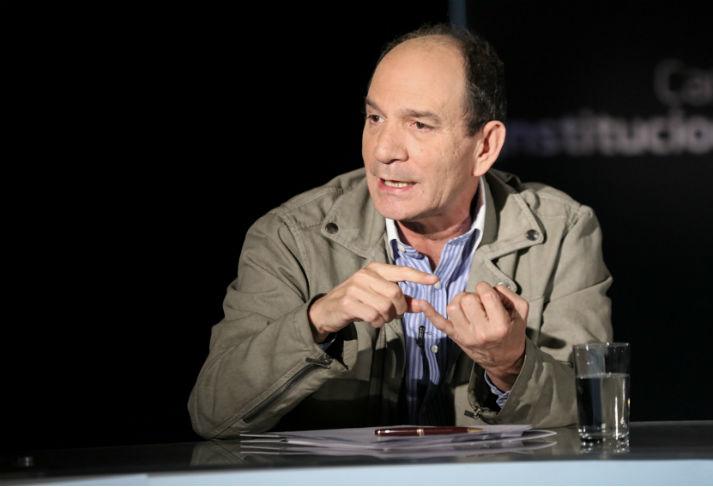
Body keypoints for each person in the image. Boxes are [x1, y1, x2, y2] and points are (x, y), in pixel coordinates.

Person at [188, 23, 612, 439]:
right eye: (375, 118)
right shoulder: (292, 236)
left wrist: (510, 365)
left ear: (484, 147)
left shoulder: (561, 232)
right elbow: (212, 413)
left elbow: (594, 412)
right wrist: (316, 322)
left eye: (419, 125)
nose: (384, 150)